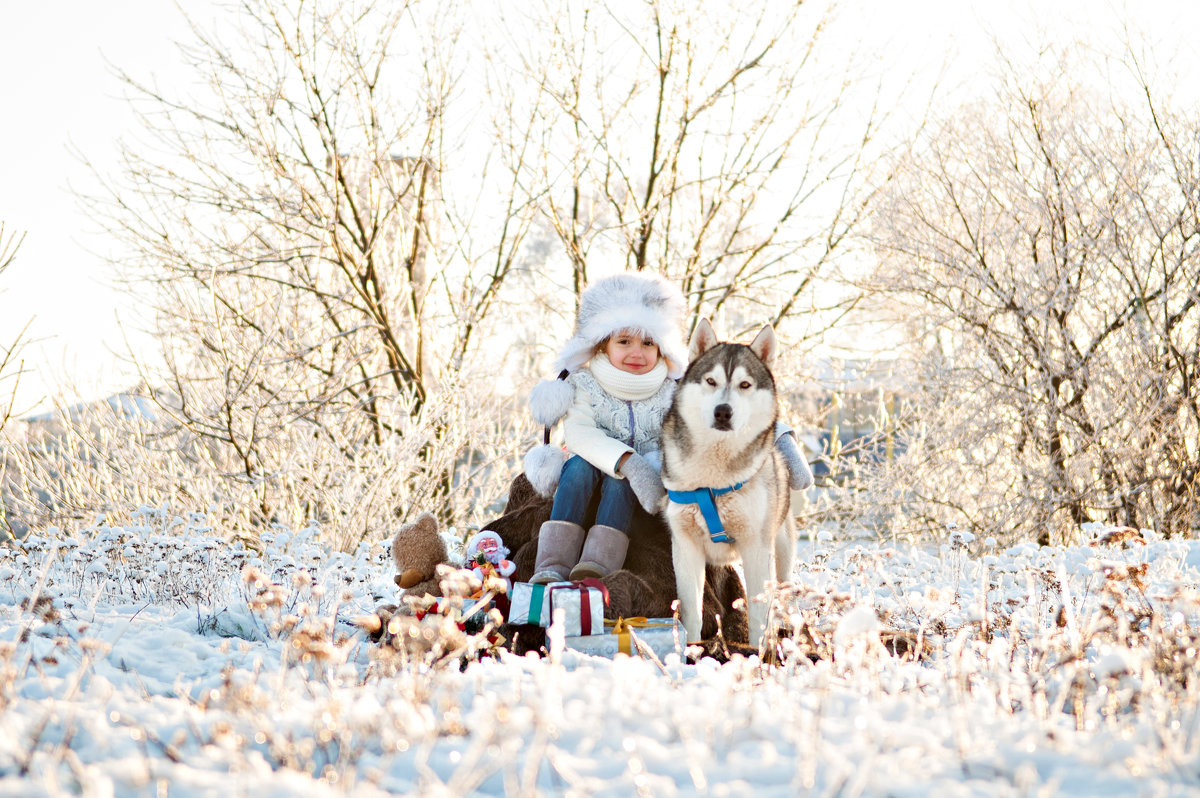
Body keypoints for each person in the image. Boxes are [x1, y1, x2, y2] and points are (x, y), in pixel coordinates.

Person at [522, 272, 815, 584]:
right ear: (602, 346)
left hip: (645, 494)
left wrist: (780, 436)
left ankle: (596, 566)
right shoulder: (584, 384)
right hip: (588, 486)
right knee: (578, 466)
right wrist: (629, 462)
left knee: (619, 484)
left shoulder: (671, 388)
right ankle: (552, 565)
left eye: (648, 343)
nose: (637, 352)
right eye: (624, 341)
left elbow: (723, 412)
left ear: (661, 348)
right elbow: (581, 435)